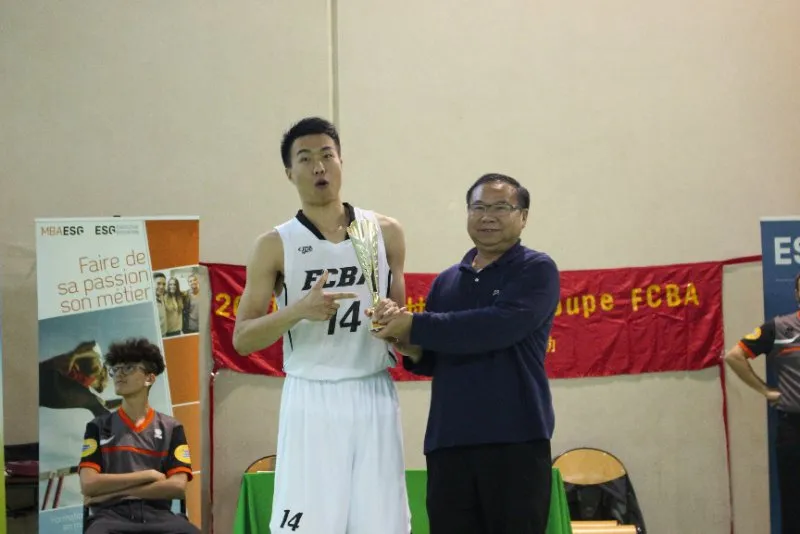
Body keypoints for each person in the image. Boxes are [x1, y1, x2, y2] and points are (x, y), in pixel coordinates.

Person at [232, 117, 411, 533]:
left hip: (372, 391)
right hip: (311, 395)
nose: (318, 166)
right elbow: (242, 339)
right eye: (305, 158)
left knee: (381, 524)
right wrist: (297, 310)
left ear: (341, 161)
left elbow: (403, 332)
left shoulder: (384, 233)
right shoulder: (275, 244)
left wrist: (394, 322)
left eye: (327, 155)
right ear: (289, 172)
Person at [371, 173, 560, 534]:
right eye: (478, 207)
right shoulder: (446, 282)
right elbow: (432, 358)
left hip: (515, 439)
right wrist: (409, 345)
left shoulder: (536, 269)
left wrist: (414, 324)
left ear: (523, 217)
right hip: (449, 441)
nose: (487, 216)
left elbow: (497, 327)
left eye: (501, 207)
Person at [77, 337, 198, 534]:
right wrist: (149, 475)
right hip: (110, 518)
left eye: (129, 368)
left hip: (160, 517)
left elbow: (177, 487)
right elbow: (89, 484)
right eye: (115, 369)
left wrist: (111, 493)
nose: (119, 374)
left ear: (149, 378)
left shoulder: (172, 428)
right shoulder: (97, 427)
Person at [724, 272, 800, 534]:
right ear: (797, 294)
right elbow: (734, 357)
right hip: (794, 431)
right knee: (794, 507)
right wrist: (765, 390)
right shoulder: (780, 328)